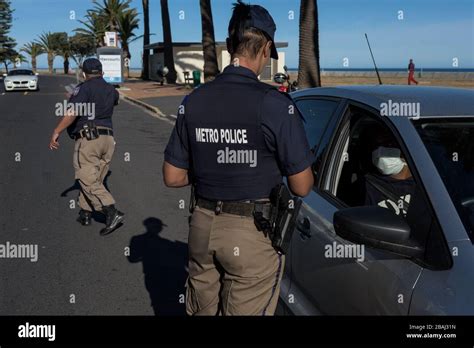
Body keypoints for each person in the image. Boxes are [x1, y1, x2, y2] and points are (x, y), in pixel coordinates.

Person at [162, 1, 313, 316]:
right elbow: (301, 186)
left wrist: (211, 164)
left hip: (202, 226)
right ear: (265, 49)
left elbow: (173, 177)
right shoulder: (274, 105)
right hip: (250, 233)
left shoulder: (194, 100)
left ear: (230, 46)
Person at [49, 58, 124, 236]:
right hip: (108, 139)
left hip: (89, 139)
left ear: (84, 74)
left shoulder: (84, 88)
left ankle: (110, 211)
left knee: (86, 177)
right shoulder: (112, 90)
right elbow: (112, 103)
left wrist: (56, 131)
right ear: (102, 73)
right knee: (94, 178)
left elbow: (72, 113)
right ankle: (85, 213)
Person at [364, 127, 415, 216]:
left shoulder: (425, 182)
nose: (380, 151)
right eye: (376, 146)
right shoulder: (370, 186)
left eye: (388, 144)